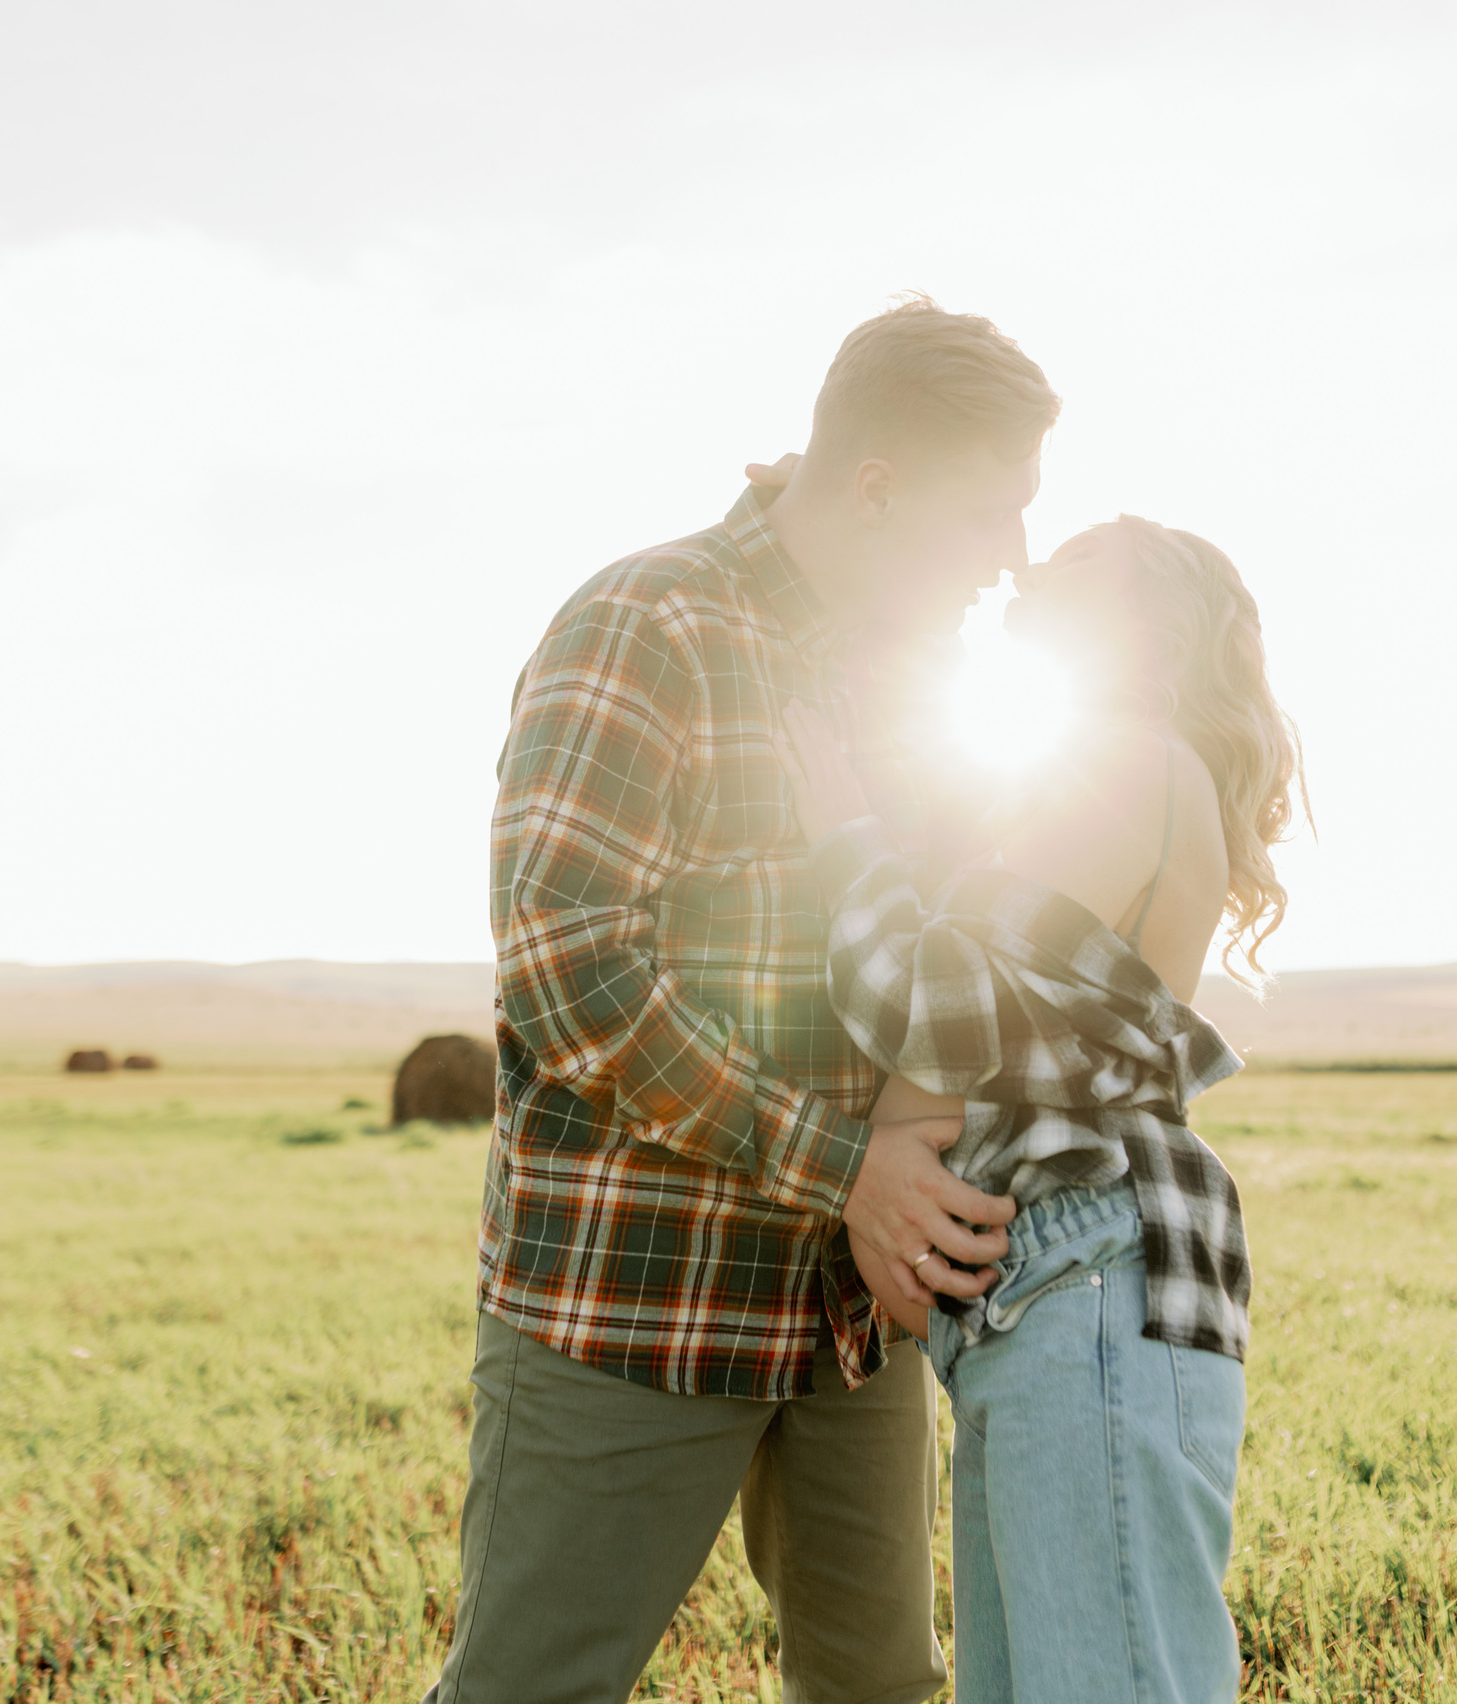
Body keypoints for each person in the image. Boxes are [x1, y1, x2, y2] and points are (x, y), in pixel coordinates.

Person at [423, 296, 1058, 1704]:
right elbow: (567, 974)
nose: (1013, 561)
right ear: (879, 489)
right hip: (635, 1300)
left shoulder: (933, 682)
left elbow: (951, 944)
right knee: (533, 1687)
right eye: (987, 515)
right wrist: (849, 1170)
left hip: (850, 1318)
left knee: (884, 1690)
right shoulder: (643, 623)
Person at [775, 513, 1306, 1704]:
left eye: (1071, 566)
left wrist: (839, 834)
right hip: (1044, 1299)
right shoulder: (1092, 769)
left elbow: (938, 1007)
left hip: (1089, 1289)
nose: (1022, 566)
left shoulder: (1128, 756)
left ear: (1147, 635)